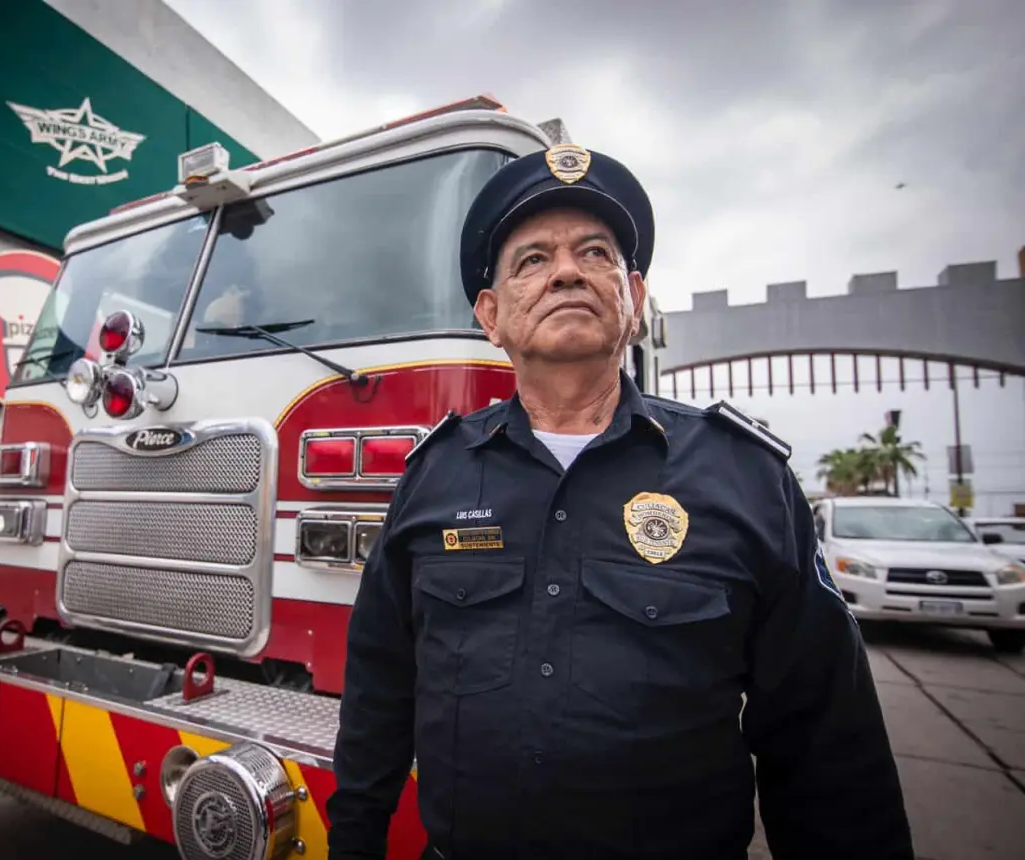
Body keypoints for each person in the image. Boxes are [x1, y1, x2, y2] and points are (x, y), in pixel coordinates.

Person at [325, 144, 914, 860]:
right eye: (532, 260)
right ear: (491, 315)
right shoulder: (433, 475)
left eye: (595, 252)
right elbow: (381, 690)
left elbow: (825, 740)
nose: (567, 270)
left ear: (633, 298)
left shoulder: (745, 478)